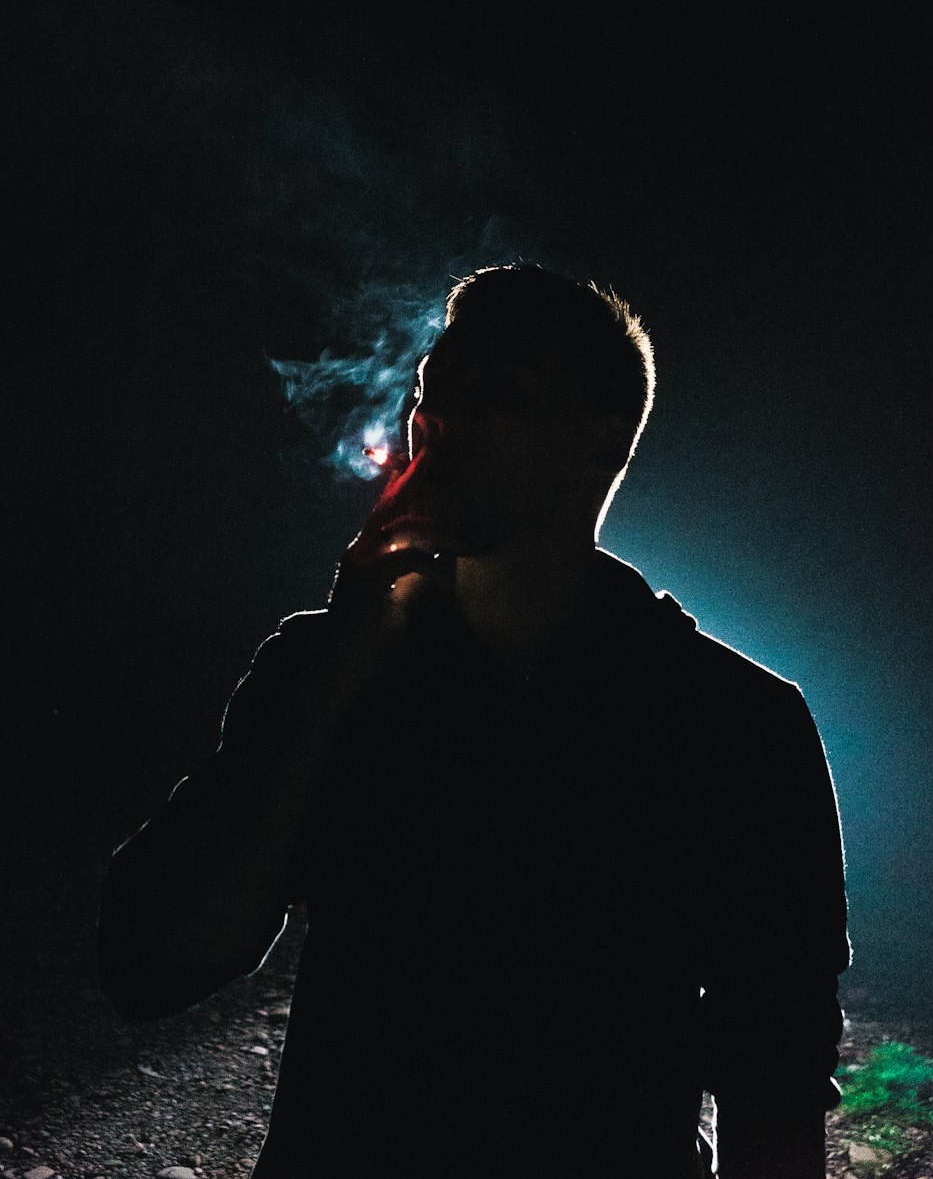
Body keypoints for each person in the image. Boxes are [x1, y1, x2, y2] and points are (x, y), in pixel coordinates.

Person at [98, 264, 851, 1177]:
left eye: (497, 394)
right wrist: (334, 675)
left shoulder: (736, 726)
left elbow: (774, 1084)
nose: (438, 420)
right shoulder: (327, 667)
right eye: (432, 391)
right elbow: (151, 960)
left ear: (596, 446)